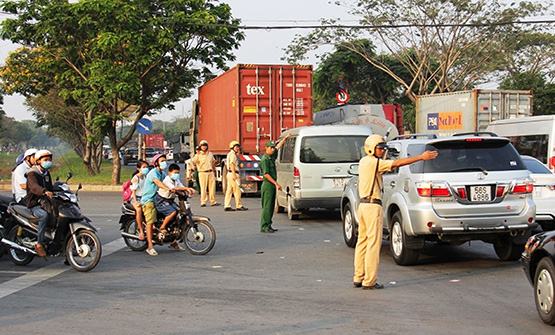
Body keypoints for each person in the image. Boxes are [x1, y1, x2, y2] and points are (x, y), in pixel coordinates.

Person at [353, 135, 438, 290]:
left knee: (362, 242)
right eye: (379, 148)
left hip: (363, 206)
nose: (381, 151)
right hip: (373, 206)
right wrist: (421, 157)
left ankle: (358, 276)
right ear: (371, 148)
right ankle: (369, 280)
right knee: (373, 244)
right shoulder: (374, 162)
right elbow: (398, 163)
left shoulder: (364, 161)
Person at [140, 154, 174, 256]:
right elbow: (158, 183)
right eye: (162, 161)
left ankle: (173, 242)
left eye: (165, 160)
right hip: (149, 200)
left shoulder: (162, 173)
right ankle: (150, 246)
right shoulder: (153, 173)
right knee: (150, 221)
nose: (164, 163)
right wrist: (167, 188)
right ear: (156, 163)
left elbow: (168, 182)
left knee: (172, 214)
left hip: (159, 198)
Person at [156, 163, 195, 250]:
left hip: (170, 200)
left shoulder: (176, 180)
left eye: (178, 173)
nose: (176, 174)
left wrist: (187, 190)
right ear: (169, 172)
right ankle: (162, 227)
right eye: (175, 172)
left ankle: (173, 241)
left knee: (179, 214)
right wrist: (186, 189)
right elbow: (174, 188)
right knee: (172, 212)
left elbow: (180, 186)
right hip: (161, 200)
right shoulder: (167, 180)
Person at [25, 150, 54, 257]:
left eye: (49, 160)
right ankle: (39, 244)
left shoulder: (46, 173)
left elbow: (50, 187)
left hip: (45, 202)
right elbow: (33, 187)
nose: (48, 162)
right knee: (44, 216)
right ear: (38, 161)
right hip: (34, 204)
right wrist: (44, 191)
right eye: (45, 160)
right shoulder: (32, 173)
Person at [259, 135, 289, 233]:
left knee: (271, 206)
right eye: (270, 148)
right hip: (268, 185)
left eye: (273, 147)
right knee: (267, 206)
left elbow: (277, 148)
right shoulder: (265, 159)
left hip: (271, 185)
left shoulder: (271, 157)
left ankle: (268, 224)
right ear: (266, 148)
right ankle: (264, 226)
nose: (272, 149)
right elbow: (266, 174)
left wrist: (284, 140)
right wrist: (276, 184)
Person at [191, 140, 219, 207]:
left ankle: (213, 201)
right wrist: (197, 155)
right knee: (203, 188)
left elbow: (213, 162)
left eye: (205, 145)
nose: (204, 147)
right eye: (202, 146)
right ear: (200, 147)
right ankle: (203, 202)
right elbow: (193, 161)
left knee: (212, 188)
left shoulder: (210, 154)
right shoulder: (198, 155)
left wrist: (215, 166)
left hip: (210, 172)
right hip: (202, 172)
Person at [224, 140, 248, 212]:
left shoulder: (231, 154)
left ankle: (227, 205)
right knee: (237, 190)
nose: (237, 148)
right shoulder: (232, 155)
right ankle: (239, 205)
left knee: (229, 190)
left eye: (238, 147)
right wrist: (234, 174)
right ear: (232, 147)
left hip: (230, 174)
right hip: (233, 173)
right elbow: (232, 164)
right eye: (236, 147)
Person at [130, 160, 149, 241]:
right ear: (138, 168)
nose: (146, 169)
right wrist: (136, 202)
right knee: (139, 210)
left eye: (146, 167)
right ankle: (140, 230)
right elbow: (133, 192)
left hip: (144, 198)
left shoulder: (146, 176)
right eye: (144, 167)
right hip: (136, 198)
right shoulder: (136, 178)